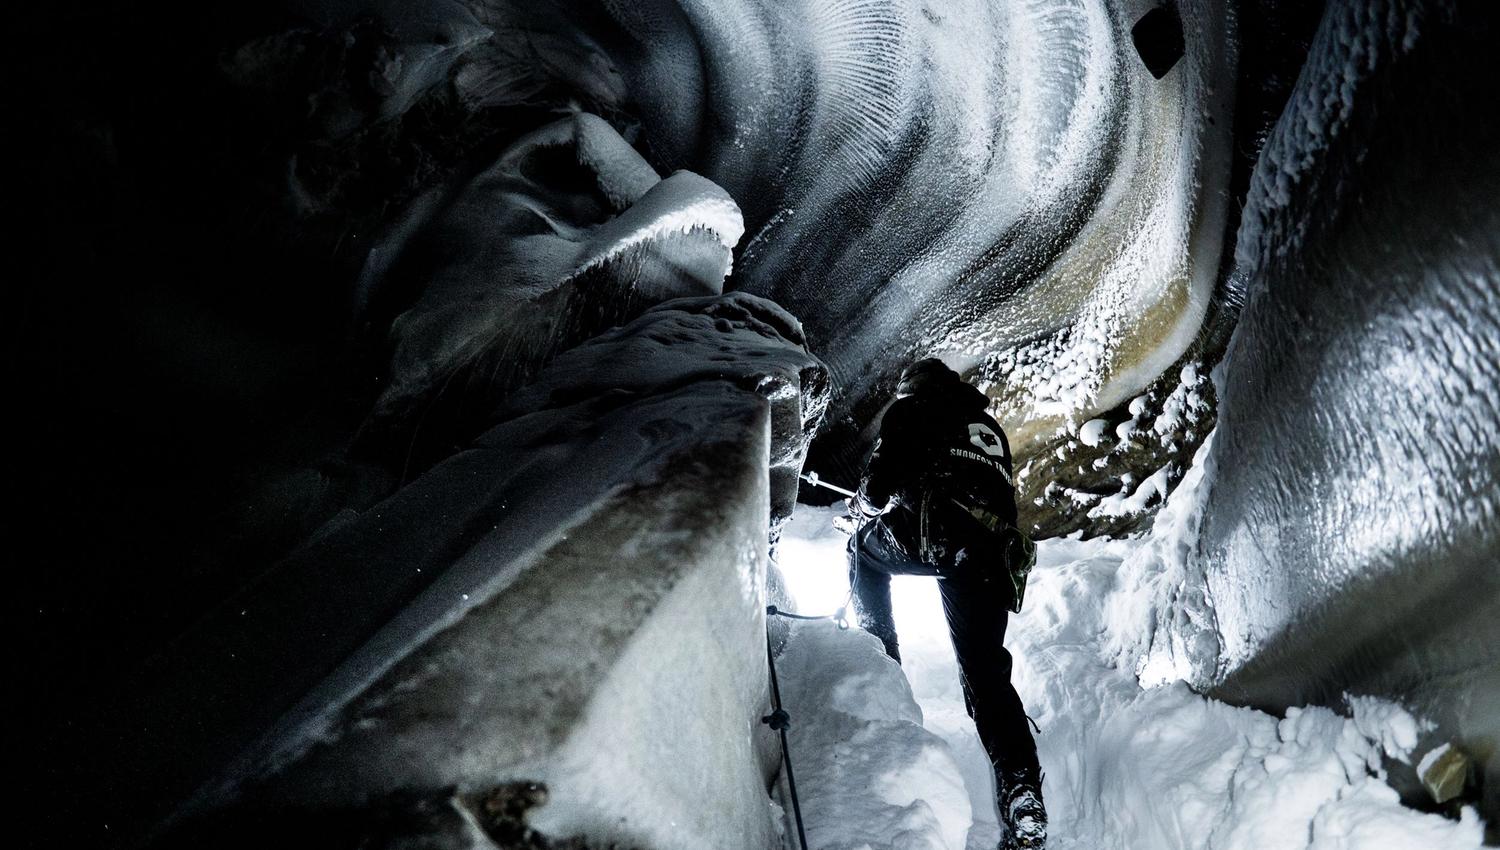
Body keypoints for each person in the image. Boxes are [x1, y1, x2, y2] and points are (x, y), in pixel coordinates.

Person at [846, 358, 1046, 850]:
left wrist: (861, 511)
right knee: (985, 677)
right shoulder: (988, 427)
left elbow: (878, 484)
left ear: (914, 388)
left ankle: (880, 666)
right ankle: (1023, 796)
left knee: (861, 551)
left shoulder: (911, 410)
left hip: (935, 536)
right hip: (989, 557)